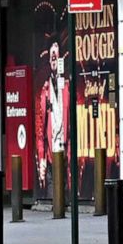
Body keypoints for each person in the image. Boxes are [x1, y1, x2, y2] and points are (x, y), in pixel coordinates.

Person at [34, 40, 69, 191]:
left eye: (56, 53)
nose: (53, 57)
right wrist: (41, 156)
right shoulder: (44, 91)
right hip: (50, 153)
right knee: (52, 190)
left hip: (66, 152)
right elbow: (39, 127)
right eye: (51, 55)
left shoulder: (68, 86)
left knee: (65, 190)